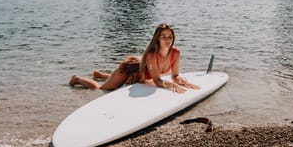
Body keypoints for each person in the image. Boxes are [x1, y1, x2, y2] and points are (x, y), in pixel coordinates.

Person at [69, 23, 200, 93]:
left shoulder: (176, 53)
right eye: (163, 36)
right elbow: (157, 80)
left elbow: (175, 75)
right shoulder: (151, 55)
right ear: (157, 39)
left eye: (170, 37)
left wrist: (183, 82)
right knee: (102, 89)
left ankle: (102, 75)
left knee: (119, 82)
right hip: (131, 67)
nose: (167, 40)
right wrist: (171, 86)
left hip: (142, 70)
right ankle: (77, 78)